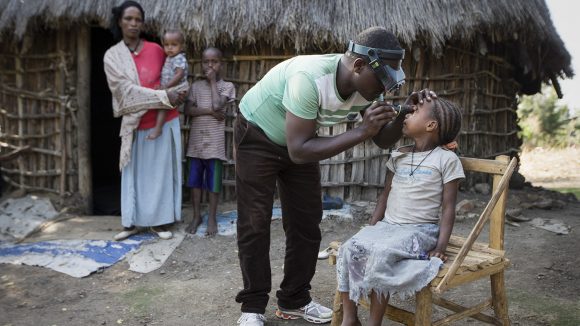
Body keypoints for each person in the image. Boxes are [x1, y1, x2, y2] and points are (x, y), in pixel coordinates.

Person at [234, 26, 436, 326]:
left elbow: (380, 139)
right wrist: (361, 131)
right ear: (358, 65)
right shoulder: (308, 79)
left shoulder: (367, 87)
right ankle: (252, 307)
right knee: (255, 220)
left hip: (300, 141)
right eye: (382, 80)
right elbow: (300, 151)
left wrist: (405, 112)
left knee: (306, 219)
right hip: (258, 135)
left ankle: (294, 300)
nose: (384, 90)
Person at [336, 97, 464, 326]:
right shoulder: (399, 155)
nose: (405, 115)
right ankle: (350, 318)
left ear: (431, 125)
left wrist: (440, 248)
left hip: (420, 231)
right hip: (387, 228)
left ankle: (374, 323)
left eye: (414, 112)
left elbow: (448, 208)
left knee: (380, 254)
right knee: (349, 247)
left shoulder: (446, 160)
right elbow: (384, 197)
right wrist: (372, 227)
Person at [103, 1, 187, 241]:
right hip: (135, 124)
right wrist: (162, 95)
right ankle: (133, 223)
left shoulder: (157, 50)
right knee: (136, 175)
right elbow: (124, 92)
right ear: (120, 21)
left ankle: (158, 223)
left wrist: (177, 93)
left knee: (159, 174)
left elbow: (172, 77)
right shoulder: (113, 57)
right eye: (129, 18)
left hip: (163, 120)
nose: (133, 23)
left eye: (138, 19)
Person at [184, 47, 236, 236]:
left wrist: (213, 81)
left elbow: (217, 104)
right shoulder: (195, 87)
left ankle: (212, 218)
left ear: (221, 64)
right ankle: (197, 216)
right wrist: (210, 113)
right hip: (196, 144)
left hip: (215, 145)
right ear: (201, 63)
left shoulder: (227, 87)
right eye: (206, 62)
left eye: (214, 62)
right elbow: (188, 110)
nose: (210, 65)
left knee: (213, 185)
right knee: (195, 183)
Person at [146, 29, 189, 140]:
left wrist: (165, 86)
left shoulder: (179, 58)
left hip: (179, 86)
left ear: (182, 46)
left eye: (174, 45)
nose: (170, 48)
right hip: (171, 86)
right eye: (166, 45)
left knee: (164, 104)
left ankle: (158, 128)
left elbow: (179, 75)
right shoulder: (170, 58)